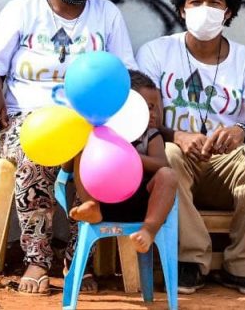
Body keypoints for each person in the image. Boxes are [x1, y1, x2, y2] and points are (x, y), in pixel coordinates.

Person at [0, 0, 136, 295]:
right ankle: (36, 260)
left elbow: (127, 74)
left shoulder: (107, 16)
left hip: (88, 123)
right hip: (25, 123)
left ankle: (79, 261)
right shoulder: (22, 10)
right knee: (37, 149)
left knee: (97, 158)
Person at [136, 0, 245, 296]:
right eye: (196, 1)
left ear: (229, 11)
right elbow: (141, 120)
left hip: (226, 168)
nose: (205, 9)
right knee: (166, 150)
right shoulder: (156, 53)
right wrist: (178, 135)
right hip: (178, 164)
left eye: (215, 2)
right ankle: (190, 260)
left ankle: (244, 265)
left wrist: (241, 132)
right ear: (182, 8)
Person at [69, 70, 179, 253]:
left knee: (168, 175)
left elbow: (162, 164)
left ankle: (149, 231)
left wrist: (130, 157)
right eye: (147, 107)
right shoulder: (101, 131)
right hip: (104, 203)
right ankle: (91, 205)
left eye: (155, 107)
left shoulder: (150, 136)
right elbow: (70, 166)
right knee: (83, 152)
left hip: (142, 204)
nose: (153, 114)